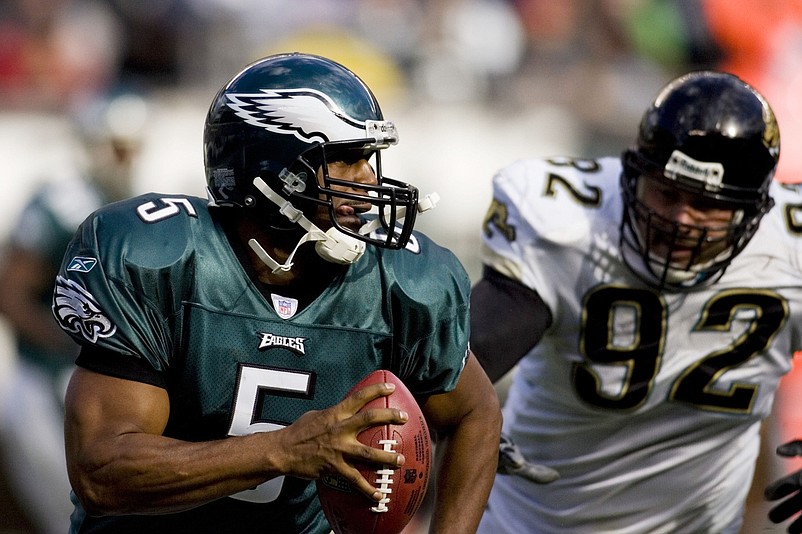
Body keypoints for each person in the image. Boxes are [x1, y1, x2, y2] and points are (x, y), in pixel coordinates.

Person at [51, 52, 501, 533]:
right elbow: (100, 473)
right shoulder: (161, 257)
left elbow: (474, 414)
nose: (368, 180)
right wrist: (284, 450)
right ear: (272, 171)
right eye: (345, 160)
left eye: (368, 158)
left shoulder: (401, 279)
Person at [469, 70, 802, 533]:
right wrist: (460, 408)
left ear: (753, 212)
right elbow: (463, 356)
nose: (681, 221)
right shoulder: (570, 223)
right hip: (530, 523)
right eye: (667, 194)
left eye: (707, 205)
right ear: (632, 177)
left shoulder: (789, 246)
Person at [0, 90, 147, 534]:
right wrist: (75, 341)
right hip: (48, 379)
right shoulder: (61, 203)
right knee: (68, 517)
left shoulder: (137, 204)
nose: (125, 157)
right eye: (118, 145)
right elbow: (11, 293)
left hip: (99, 383)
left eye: (131, 146)